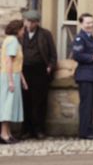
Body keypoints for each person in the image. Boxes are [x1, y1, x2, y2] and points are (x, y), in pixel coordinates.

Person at [20, 10, 57, 140]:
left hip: (40, 70)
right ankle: (26, 130)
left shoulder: (45, 34)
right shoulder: (21, 34)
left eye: (31, 22)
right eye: (27, 21)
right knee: (25, 101)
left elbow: (53, 54)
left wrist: (50, 67)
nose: (28, 24)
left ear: (36, 23)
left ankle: (39, 129)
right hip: (24, 70)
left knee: (40, 102)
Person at [1, 20, 28, 144]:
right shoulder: (12, 41)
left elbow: (18, 64)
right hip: (9, 76)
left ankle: (8, 133)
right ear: (18, 30)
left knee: (10, 106)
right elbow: (9, 62)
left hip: (14, 75)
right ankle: (4, 134)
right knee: (7, 106)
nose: (24, 32)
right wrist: (11, 81)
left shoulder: (13, 41)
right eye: (23, 29)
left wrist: (22, 80)